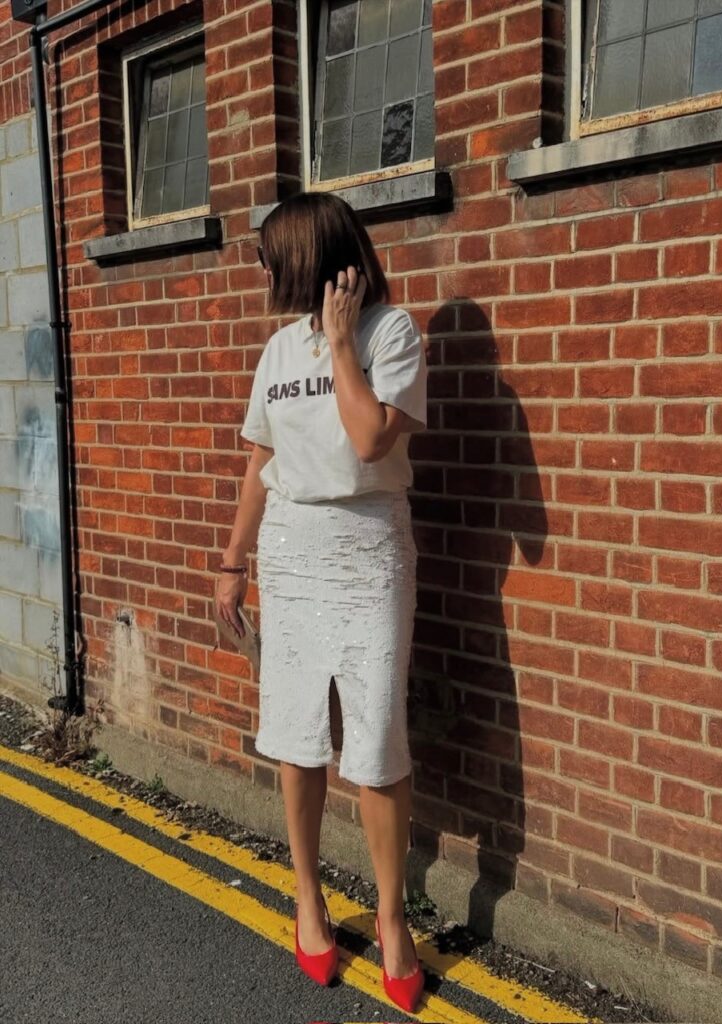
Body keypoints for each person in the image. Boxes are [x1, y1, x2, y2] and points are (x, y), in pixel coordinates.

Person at [214, 193, 427, 1013]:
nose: (263, 270)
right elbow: (260, 465)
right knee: (297, 735)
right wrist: (232, 565)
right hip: (292, 556)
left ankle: (392, 917)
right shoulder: (274, 350)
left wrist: (342, 344)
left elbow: (373, 438)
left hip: (369, 551)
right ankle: (307, 898)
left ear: (310, 254)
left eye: (271, 254)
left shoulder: (391, 333)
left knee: (375, 739)